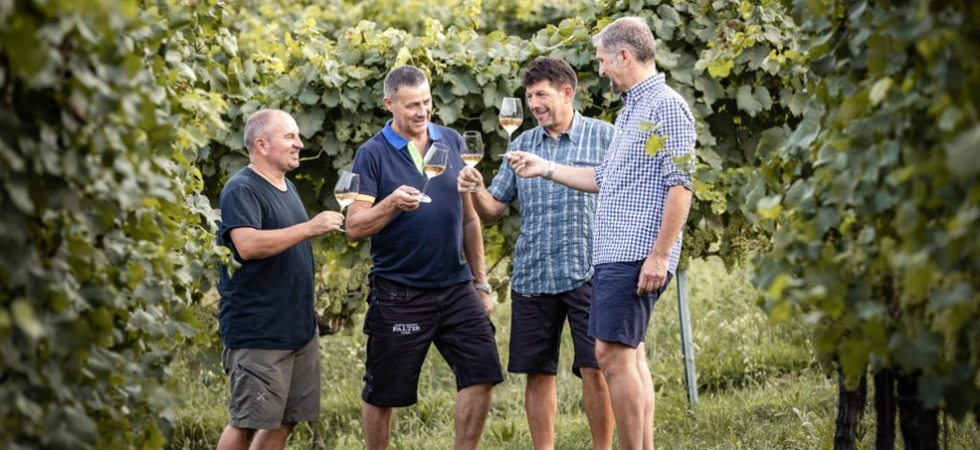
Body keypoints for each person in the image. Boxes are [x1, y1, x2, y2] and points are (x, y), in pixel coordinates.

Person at [507, 17, 696, 450]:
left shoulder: (666, 106)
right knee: (628, 355)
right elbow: (604, 177)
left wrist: (660, 255)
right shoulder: (633, 110)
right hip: (615, 253)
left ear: (623, 56)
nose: (601, 69)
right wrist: (546, 168)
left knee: (612, 356)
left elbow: (681, 184)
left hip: (635, 252)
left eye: (603, 60)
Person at [457, 56, 615, 450]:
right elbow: (493, 209)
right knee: (538, 373)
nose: (534, 104)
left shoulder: (604, 136)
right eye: (529, 97)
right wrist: (475, 189)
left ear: (567, 93)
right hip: (533, 274)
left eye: (541, 95)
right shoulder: (522, 143)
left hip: (588, 270)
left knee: (595, 369)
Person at [345, 65, 504, 450]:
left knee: (483, 372)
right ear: (390, 104)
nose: (422, 111)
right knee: (384, 392)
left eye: (427, 102)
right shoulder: (372, 154)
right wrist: (390, 204)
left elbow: (469, 219)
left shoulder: (450, 140)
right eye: (412, 105)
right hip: (399, 292)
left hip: (456, 286)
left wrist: (481, 283)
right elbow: (354, 226)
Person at [215, 109, 345, 450]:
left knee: (288, 418)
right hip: (260, 331)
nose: (299, 143)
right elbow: (247, 245)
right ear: (261, 144)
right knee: (246, 423)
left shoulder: (287, 187)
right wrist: (309, 228)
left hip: (297, 330)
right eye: (289, 137)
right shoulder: (241, 189)